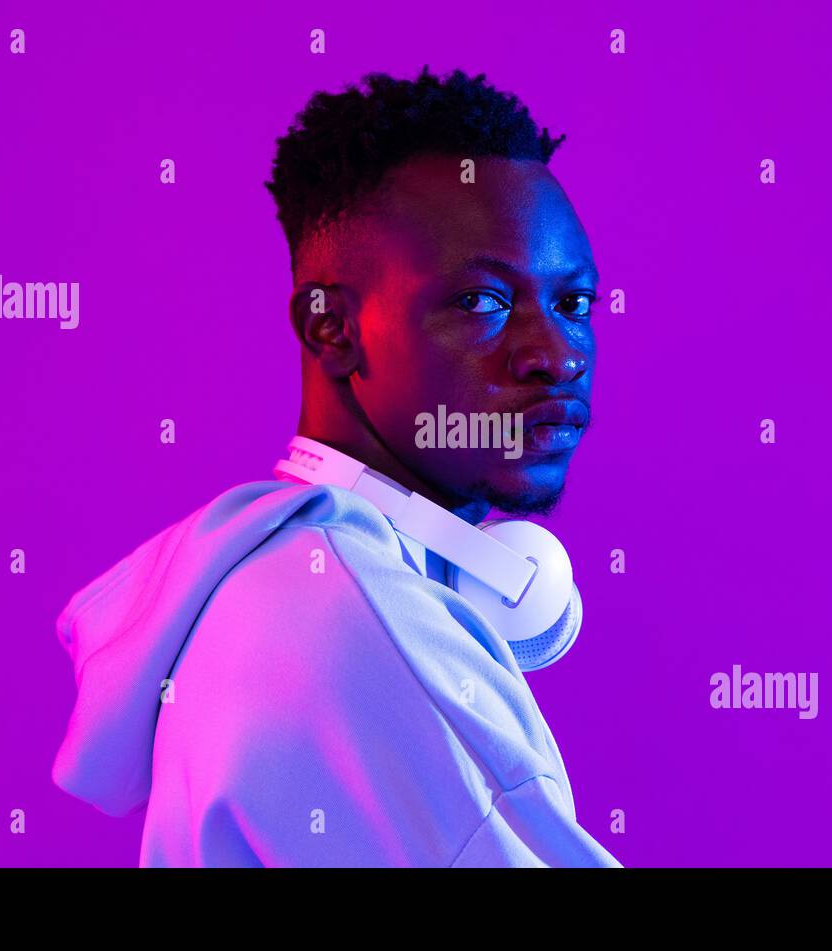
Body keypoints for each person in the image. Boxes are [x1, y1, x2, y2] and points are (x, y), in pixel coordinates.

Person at [51, 66, 620, 867]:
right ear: (331, 329)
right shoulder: (354, 620)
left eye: (573, 304)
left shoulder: (270, 578)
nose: (557, 355)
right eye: (482, 301)